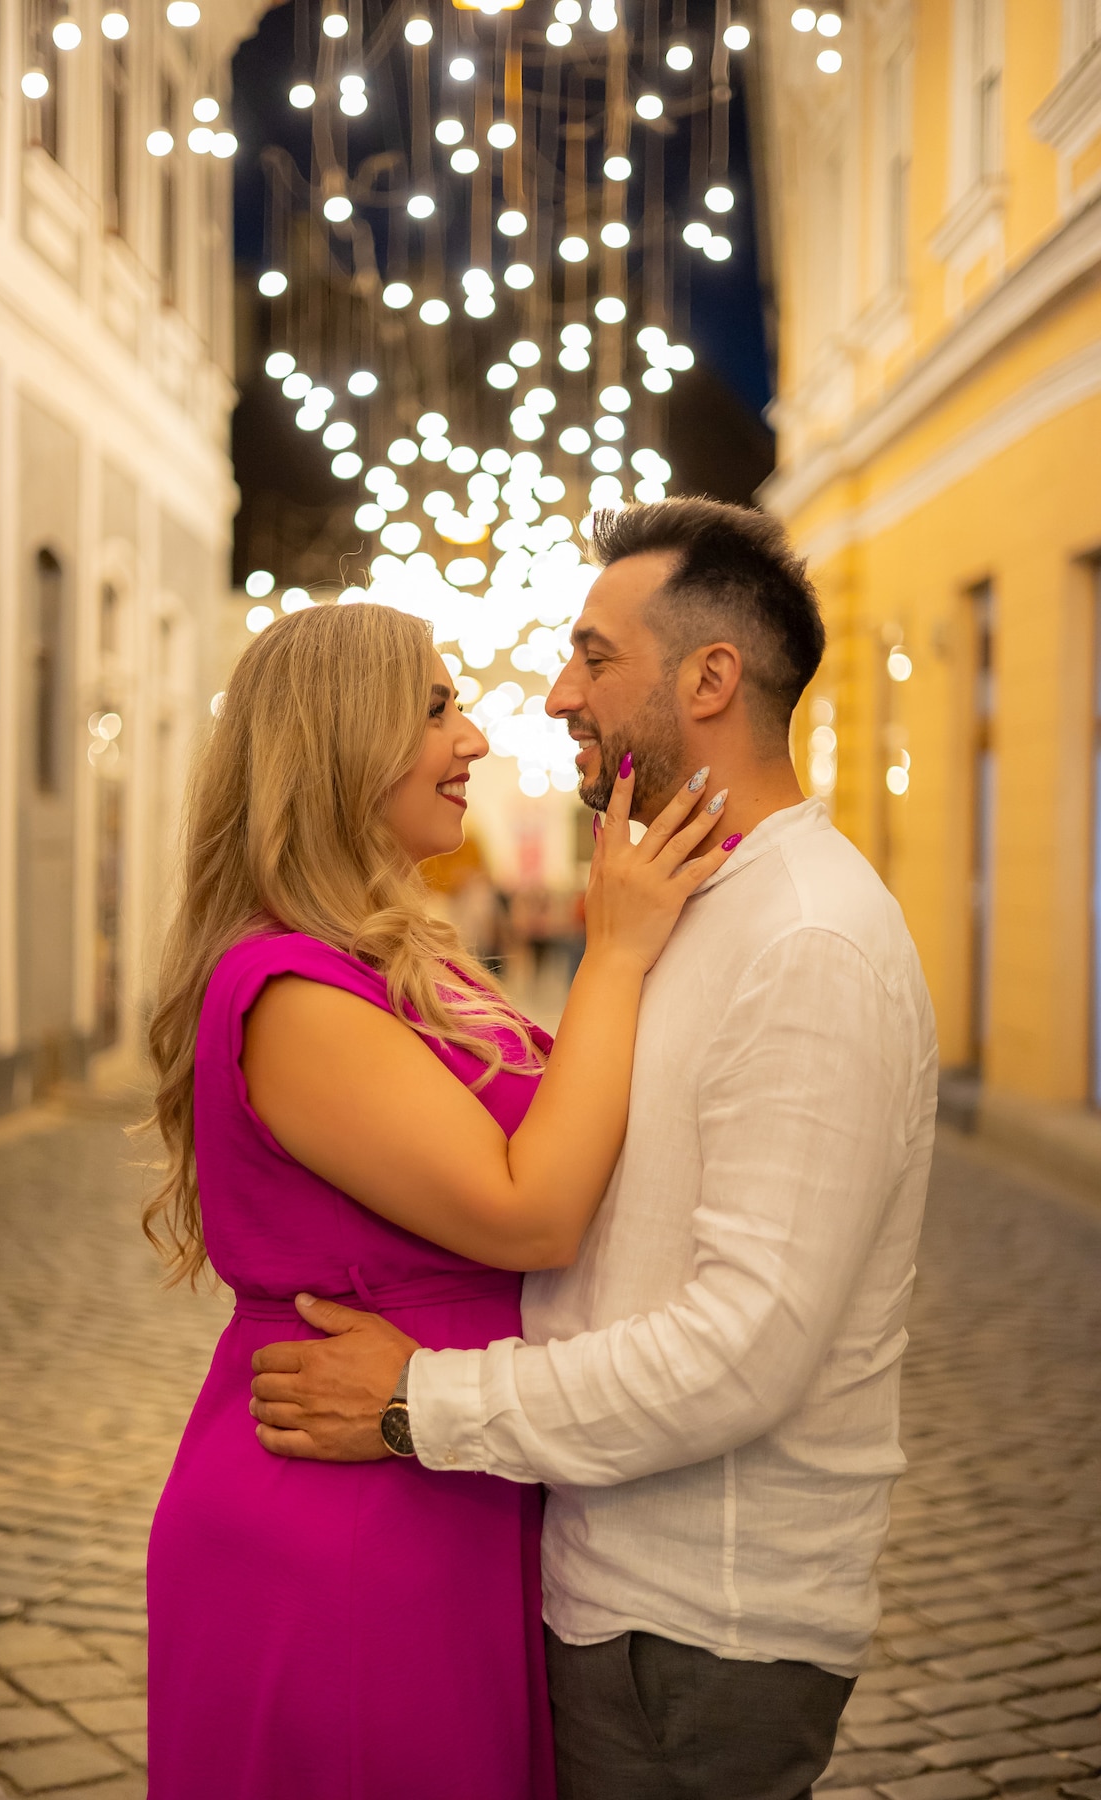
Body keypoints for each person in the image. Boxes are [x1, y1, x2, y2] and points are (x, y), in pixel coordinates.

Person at [249, 498, 940, 1800]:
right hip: (608, 1582)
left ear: (712, 677)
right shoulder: (687, 907)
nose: (557, 692)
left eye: (593, 656)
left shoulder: (811, 940)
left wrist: (420, 1404)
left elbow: (745, 1349)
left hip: (701, 1623)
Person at [141, 597, 736, 1800]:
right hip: (342, 1523)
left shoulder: (382, 962)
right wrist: (612, 950)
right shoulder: (289, 993)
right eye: (434, 706)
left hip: (434, 1480)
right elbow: (533, 1214)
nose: (472, 740)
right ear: (338, 742)